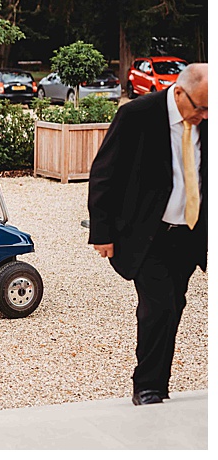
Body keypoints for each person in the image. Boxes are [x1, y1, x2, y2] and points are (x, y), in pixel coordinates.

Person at [88, 63, 208, 406]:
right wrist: (102, 232)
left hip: (191, 233)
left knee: (175, 304)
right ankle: (148, 387)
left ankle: (160, 382)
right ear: (179, 92)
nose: (203, 115)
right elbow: (104, 174)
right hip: (148, 234)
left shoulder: (206, 119)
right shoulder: (137, 115)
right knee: (158, 308)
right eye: (199, 107)